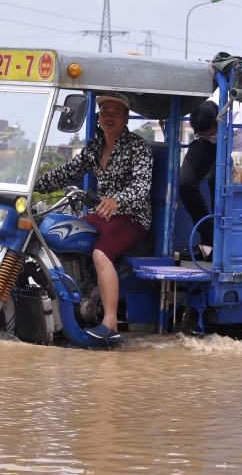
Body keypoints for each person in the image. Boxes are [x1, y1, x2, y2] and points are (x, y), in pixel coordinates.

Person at [32, 93, 153, 340]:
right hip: (102, 215)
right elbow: (68, 171)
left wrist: (117, 200)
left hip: (133, 217)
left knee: (100, 253)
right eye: (105, 112)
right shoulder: (96, 147)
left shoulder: (138, 147)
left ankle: (110, 323)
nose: (109, 117)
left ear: (126, 118)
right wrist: (32, 184)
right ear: (98, 117)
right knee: (60, 235)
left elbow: (142, 188)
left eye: (116, 113)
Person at [179, 101, 219, 258]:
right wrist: (206, 137)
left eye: (208, 133)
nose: (205, 137)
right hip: (212, 140)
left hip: (235, 139)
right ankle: (209, 240)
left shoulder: (237, 119)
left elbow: (240, 156)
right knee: (184, 183)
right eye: (201, 135)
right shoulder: (201, 111)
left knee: (217, 181)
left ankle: (221, 243)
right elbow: (206, 136)